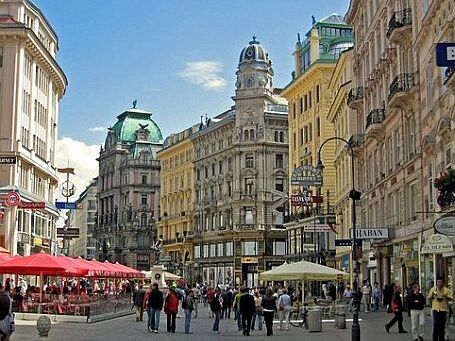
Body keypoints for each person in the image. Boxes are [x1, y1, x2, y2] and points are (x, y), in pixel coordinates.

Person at [428, 276, 453, 341]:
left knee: (442, 326)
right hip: (435, 309)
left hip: (443, 309)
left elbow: (451, 299)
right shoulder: (433, 289)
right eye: (438, 282)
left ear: (443, 283)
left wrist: (445, 297)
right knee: (436, 325)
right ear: (436, 282)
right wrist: (433, 296)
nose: (439, 283)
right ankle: (435, 339)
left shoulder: (446, 290)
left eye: (440, 282)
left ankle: (441, 339)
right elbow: (429, 298)